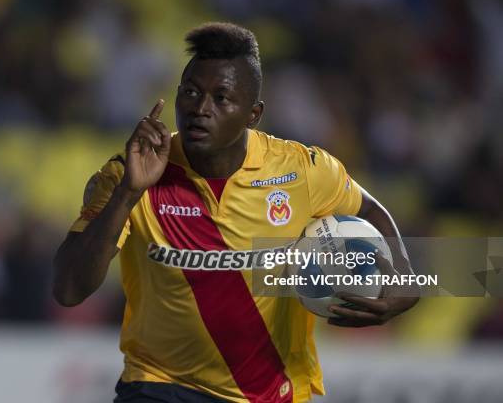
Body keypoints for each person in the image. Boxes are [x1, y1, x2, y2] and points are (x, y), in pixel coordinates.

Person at [53, 22, 418, 403]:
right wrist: (128, 193)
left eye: (221, 98)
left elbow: (370, 210)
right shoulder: (129, 174)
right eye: (190, 93)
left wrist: (407, 280)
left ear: (253, 114)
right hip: (160, 387)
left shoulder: (302, 171)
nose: (200, 109)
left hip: (272, 393)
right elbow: (67, 290)